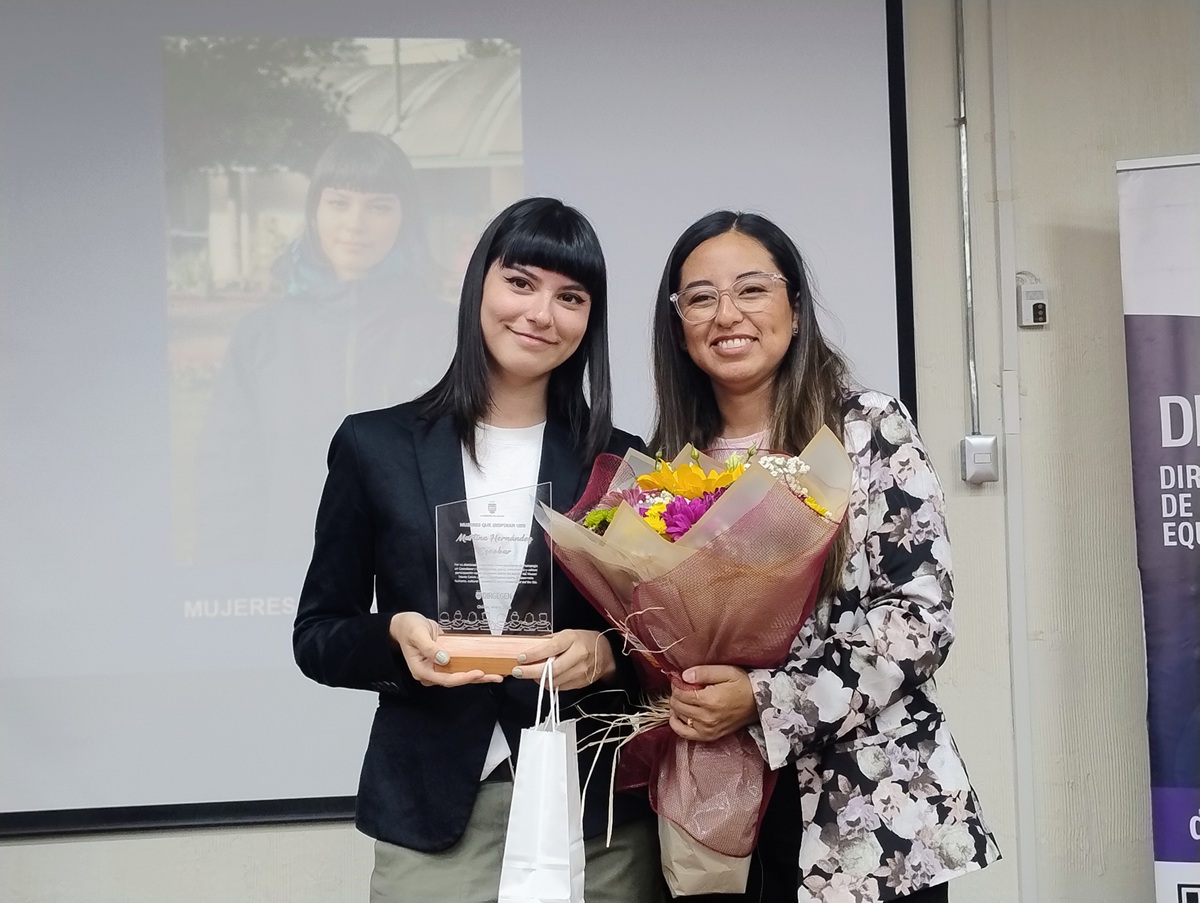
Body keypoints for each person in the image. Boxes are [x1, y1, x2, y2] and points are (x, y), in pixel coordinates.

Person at [293, 197, 662, 903]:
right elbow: (317, 634)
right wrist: (393, 637)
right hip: (433, 808)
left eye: (570, 297)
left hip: (592, 808)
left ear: (590, 320)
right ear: (479, 288)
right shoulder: (375, 448)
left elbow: (662, 639)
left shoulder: (619, 464)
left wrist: (606, 651)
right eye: (520, 282)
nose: (540, 313)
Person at [648, 211, 1000, 902]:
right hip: (717, 814)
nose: (727, 314)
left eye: (752, 289)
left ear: (796, 307)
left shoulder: (866, 429)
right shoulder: (669, 466)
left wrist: (762, 698)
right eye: (700, 297)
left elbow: (918, 618)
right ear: (678, 324)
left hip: (864, 812)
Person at [195, 131, 453, 564]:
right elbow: (228, 474)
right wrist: (231, 571)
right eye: (339, 202)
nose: (356, 223)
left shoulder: (447, 331)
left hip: (413, 589)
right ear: (314, 210)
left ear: (405, 217)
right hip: (285, 575)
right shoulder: (261, 334)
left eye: (379, 206)